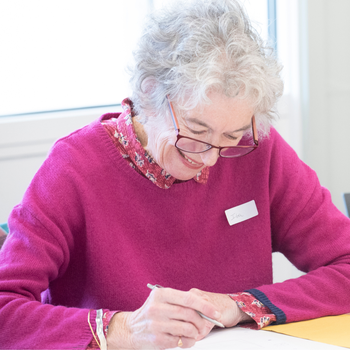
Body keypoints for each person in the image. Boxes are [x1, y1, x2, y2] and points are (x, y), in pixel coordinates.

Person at [1, 0, 350, 349]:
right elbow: (6, 310)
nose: (212, 159)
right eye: (196, 133)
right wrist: (122, 329)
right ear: (151, 91)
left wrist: (239, 305)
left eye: (231, 137)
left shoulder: (260, 150)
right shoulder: (74, 167)